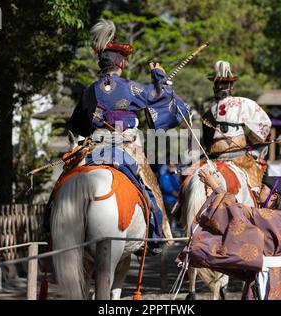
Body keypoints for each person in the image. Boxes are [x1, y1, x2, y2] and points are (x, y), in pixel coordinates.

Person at [65, 19, 191, 250]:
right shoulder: (132, 88)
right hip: (126, 149)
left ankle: (50, 221)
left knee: (66, 181)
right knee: (151, 188)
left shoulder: (89, 89)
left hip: (95, 147)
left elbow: (76, 125)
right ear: (120, 63)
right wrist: (159, 77)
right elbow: (161, 97)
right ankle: (156, 234)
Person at [178, 170, 281, 300]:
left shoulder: (271, 216)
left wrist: (216, 187)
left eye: (263, 188)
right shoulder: (268, 215)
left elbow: (235, 209)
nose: (257, 190)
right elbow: (237, 210)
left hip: (269, 278)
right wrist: (217, 193)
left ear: (274, 196)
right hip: (266, 275)